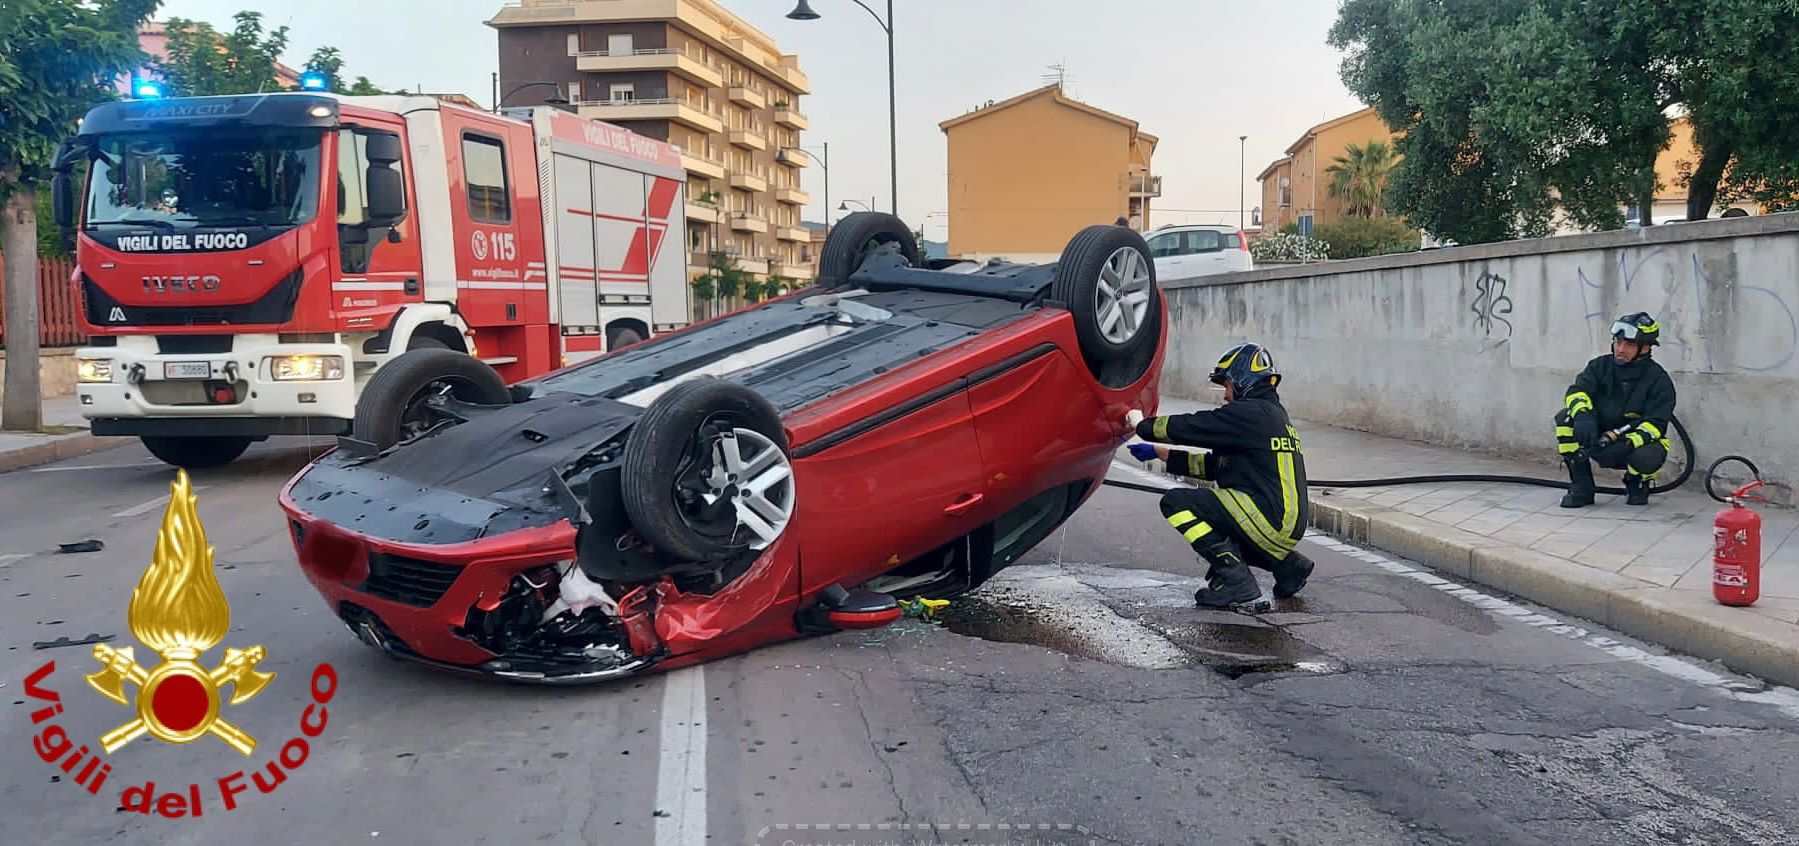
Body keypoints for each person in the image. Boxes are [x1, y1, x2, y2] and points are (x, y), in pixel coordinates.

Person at [1125, 342, 1313, 611]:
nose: (1225, 395)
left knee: (1176, 503)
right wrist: (1159, 453)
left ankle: (1237, 581)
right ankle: (1288, 566)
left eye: (1226, 385)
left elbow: (1194, 426)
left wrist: (1142, 426)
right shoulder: (1273, 417)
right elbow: (1215, 467)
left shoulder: (1249, 413)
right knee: (1226, 529)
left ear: (1241, 381)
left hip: (1267, 518)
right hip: (1282, 524)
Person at [1554, 312, 1677, 508]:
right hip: (1598, 434)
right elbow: (1577, 392)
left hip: (1634, 441)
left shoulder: (1659, 380)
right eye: (1618, 342)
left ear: (1645, 348)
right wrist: (1583, 416)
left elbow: (1656, 424)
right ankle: (1582, 486)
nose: (1620, 349)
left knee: (1648, 455)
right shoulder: (1599, 367)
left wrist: (1628, 443)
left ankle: (1637, 483)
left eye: (1629, 345)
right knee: (1565, 420)